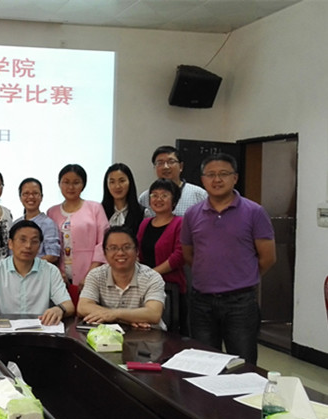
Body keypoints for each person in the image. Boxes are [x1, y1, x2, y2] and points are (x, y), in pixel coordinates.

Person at [181, 153, 276, 364]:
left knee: (242, 364)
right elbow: (189, 254)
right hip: (201, 302)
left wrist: (243, 276)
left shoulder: (254, 212)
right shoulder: (192, 214)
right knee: (204, 362)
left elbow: (268, 257)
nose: (217, 180)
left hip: (240, 303)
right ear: (202, 179)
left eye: (223, 174)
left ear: (235, 178)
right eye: (211, 175)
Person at [0, 220, 75, 325]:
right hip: (5, 331)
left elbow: (68, 305)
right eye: (22, 240)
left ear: (39, 247)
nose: (28, 246)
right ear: (10, 244)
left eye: (34, 241)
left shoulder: (51, 271)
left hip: (41, 329)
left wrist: (59, 309)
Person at [78, 226, 166, 329]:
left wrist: (115, 314)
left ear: (137, 251)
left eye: (127, 247)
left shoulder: (152, 277)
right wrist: (128, 318)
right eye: (113, 248)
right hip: (110, 335)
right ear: (105, 254)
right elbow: (83, 307)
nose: (120, 253)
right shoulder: (96, 275)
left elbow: (154, 314)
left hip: (148, 335)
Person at [46, 164, 108, 301]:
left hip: (91, 274)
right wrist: (57, 272)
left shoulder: (95, 208)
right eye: (66, 182)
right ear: (59, 184)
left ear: (83, 184)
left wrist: (90, 275)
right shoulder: (52, 212)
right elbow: (49, 246)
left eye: (76, 182)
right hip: (60, 278)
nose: (71, 187)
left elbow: (104, 242)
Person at [137, 179, 187, 333]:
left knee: (170, 335)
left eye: (164, 195)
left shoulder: (180, 223)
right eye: (154, 195)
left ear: (174, 200)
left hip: (170, 288)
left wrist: (152, 274)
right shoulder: (145, 223)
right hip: (144, 287)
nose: (158, 199)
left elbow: (179, 256)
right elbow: (137, 251)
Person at [138, 145, 207, 216]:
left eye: (171, 162)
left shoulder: (199, 195)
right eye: (160, 163)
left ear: (181, 166)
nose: (165, 167)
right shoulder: (145, 198)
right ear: (155, 168)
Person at [15, 177, 60, 264]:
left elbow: (53, 255)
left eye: (35, 193)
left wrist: (28, 266)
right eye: (26, 193)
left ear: (41, 197)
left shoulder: (48, 224)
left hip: (40, 270)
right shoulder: (15, 224)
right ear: (20, 197)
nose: (31, 197)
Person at [102, 163, 144, 233]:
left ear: (130, 182)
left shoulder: (142, 213)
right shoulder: (100, 211)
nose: (117, 186)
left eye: (122, 181)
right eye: (112, 182)